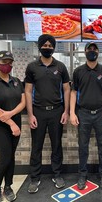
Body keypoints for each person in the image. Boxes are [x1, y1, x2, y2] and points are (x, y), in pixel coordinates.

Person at [24, 34, 70, 193]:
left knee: (56, 145)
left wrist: (66, 111)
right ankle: (34, 178)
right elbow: (28, 91)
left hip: (57, 111)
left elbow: (66, 89)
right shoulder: (32, 67)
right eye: (45, 45)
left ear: (54, 48)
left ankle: (57, 174)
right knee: (36, 146)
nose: (48, 48)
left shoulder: (61, 67)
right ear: (39, 46)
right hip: (38, 112)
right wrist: (30, 115)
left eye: (50, 46)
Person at [70, 42, 102, 190]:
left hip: (101, 113)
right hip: (83, 113)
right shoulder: (78, 71)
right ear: (85, 52)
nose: (92, 51)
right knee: (83, 147)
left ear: (98, 52)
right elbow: (73, 93)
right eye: (89, 49)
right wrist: (72, 112)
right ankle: (82, 175)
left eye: (94, 49)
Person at [0, 51, 26, 202]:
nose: (7, 65)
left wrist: (11, 114)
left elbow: (23, 102)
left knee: (11, 156)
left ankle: (8, 186)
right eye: (4, 62)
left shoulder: (16, 81)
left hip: (14, 120)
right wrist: (10, 121)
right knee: (5, 156)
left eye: (9, 62)